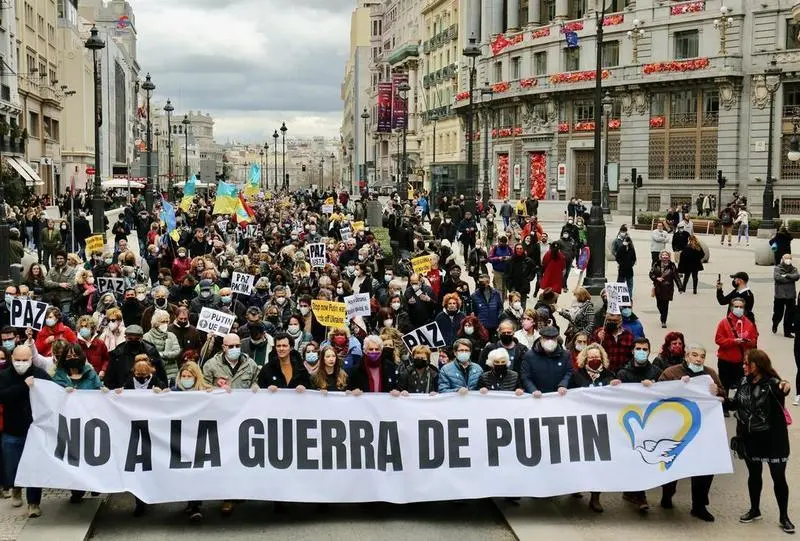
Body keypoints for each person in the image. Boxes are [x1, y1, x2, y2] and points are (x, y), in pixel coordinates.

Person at [658, 343, 726, 521]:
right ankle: (667, 495)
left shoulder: (709, 374)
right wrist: (676, 387)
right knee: (672, 463)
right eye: (694, 355)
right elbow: (658, 394)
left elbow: (723, 396)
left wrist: (717, 390)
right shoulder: (671, 373)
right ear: (686, 356)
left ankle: (699, 505)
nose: (698, 359)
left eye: (702, 356)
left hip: (702, 430)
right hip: (676, 430)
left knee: (703, 467)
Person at [729, 349, 793, 533]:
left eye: (747, 363)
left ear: (758, 364)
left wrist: (786, 385)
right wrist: (718, 398)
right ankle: (754, 510)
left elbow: (784, 387)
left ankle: (784, 517)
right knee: (754, 475)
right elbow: (735, 404)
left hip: (774, 440)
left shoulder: (773, 384)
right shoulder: (743, 382)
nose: (744, 366)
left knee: (778, 478)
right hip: (750, 438)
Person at [568, 343, 620, 513]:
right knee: (578, 457)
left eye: (597, 357)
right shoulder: (577, 376)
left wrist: (617, 386)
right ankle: (575, 486)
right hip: (580, 423)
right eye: (591, 357)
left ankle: (595, 497)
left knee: (598, 461)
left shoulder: (609, 376)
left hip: (601, 425)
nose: (594, 359)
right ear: (585, 358)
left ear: (602, 358)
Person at [0, 345, 51, 518]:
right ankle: (15, 487)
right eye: (17, 360)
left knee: (34, 468)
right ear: (12, 358)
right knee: (12, 467)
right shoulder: (4, 376)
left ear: (31, 359)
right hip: (11, 430)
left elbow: (53, 393)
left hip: (34, 431)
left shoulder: (40, 374)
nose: (20, 363)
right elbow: (3, 396)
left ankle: (33, 503)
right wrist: (24, 386)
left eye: (24, 360)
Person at [171, 361, 211, 521]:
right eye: (184, 376)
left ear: (196, 377)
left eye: (189, 376)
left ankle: (195, 505)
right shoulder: (174, 391)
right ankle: (190, 502)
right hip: (181, 436)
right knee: (185, 471)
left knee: (196, 471)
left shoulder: (205, 391)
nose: (186, 379)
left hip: (198, 436)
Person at [715, 297, 759, 401]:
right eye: (736, 306)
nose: (738, 309)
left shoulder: (749, 324)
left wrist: (746, 341)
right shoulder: (724, 323)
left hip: (741, 361)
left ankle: (739, 405)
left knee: (741, 385)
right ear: (731, 308)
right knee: (724, 384)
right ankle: (724, 406)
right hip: (725, 360)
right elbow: (719, 340)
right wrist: (734, 341)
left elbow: (754, 342)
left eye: (741, 307)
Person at [104, 325, 167, 390]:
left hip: (149, 391)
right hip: (123, 392)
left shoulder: (150, 351)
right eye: (130, 339)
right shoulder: (118, 353)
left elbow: (161, 373)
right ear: (125, 338)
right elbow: (110, 376)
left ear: (142, 338)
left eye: (136, 339)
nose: (133, 341)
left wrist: (163, 388)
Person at [520, 326, 571, 395]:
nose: (550, 341)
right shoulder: (529, 355)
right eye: (547, 338)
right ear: (541, 339)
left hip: (559, 396)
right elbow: (525, 376)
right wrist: (533, 390)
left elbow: (569, 372)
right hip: (537, 397)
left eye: (553, 338)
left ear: (557, 339)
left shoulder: (565, 355)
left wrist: (563, 385)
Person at [143, 310, 182, 382]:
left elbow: (176, 352)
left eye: (167, 321)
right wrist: (167, 354)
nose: (166, 324)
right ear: (156, 322)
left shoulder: (171, 335)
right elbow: (149, 356)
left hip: (172, 374)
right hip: (156, 374)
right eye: (163, 322)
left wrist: (162, 354)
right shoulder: (147, 336)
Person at [649, 250, 681, 328]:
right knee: (659, 304)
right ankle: (662, 314)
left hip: (668, 288)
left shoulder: (672, 265)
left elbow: (676, 277)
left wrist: (680, 287)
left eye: (666, 255)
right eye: (663, 255)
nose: (665, 256)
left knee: (665, 305)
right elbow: (651, 274)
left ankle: (663, 321)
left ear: (669, 256)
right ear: (661, 256)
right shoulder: (656, 264)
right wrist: (656, 278)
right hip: (658, 287)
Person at [75, 315, 110, 380]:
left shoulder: (100, 343)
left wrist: (103, 370)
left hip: (97, 378)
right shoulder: (75, 344)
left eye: (86, 326)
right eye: (81, 327)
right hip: (81, 379)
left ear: (92, 328)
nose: (83, 328)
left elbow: (106, 359)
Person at [773, 254, 799, 338]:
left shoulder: (794, 269)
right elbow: (778, 278)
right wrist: (790, 279)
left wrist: (787, 276)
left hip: (790, 296)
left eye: (789, 258)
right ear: (782, 259)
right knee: (778, 313)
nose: (788, 260)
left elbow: (797, 276)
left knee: (790, 314)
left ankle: (787, 332)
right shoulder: (777, 268)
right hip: (780, 295)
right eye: (786, 258)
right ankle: (775, 323)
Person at [471, 274, 503, 340]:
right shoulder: (474, 296)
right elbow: (474, 311)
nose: (480, 284)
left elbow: (500, 308)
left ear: (488, 282)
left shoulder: (496, 293)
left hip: (494, 326)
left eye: (482, 282)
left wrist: (498, 318)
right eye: (479, 282)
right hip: (482, 327)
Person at [612, 225, 637, 297]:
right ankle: (620, 295)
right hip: (621, 263)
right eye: (622, 231)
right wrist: (619, 259)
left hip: (629, 265)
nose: (623, 233)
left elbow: (633, 256)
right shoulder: (616, 241)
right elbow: (614, 251)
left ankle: (629, 296)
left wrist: (631, 263)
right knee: (621, 281)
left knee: (629, 282)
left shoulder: (629, 241)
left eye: (625, 231)